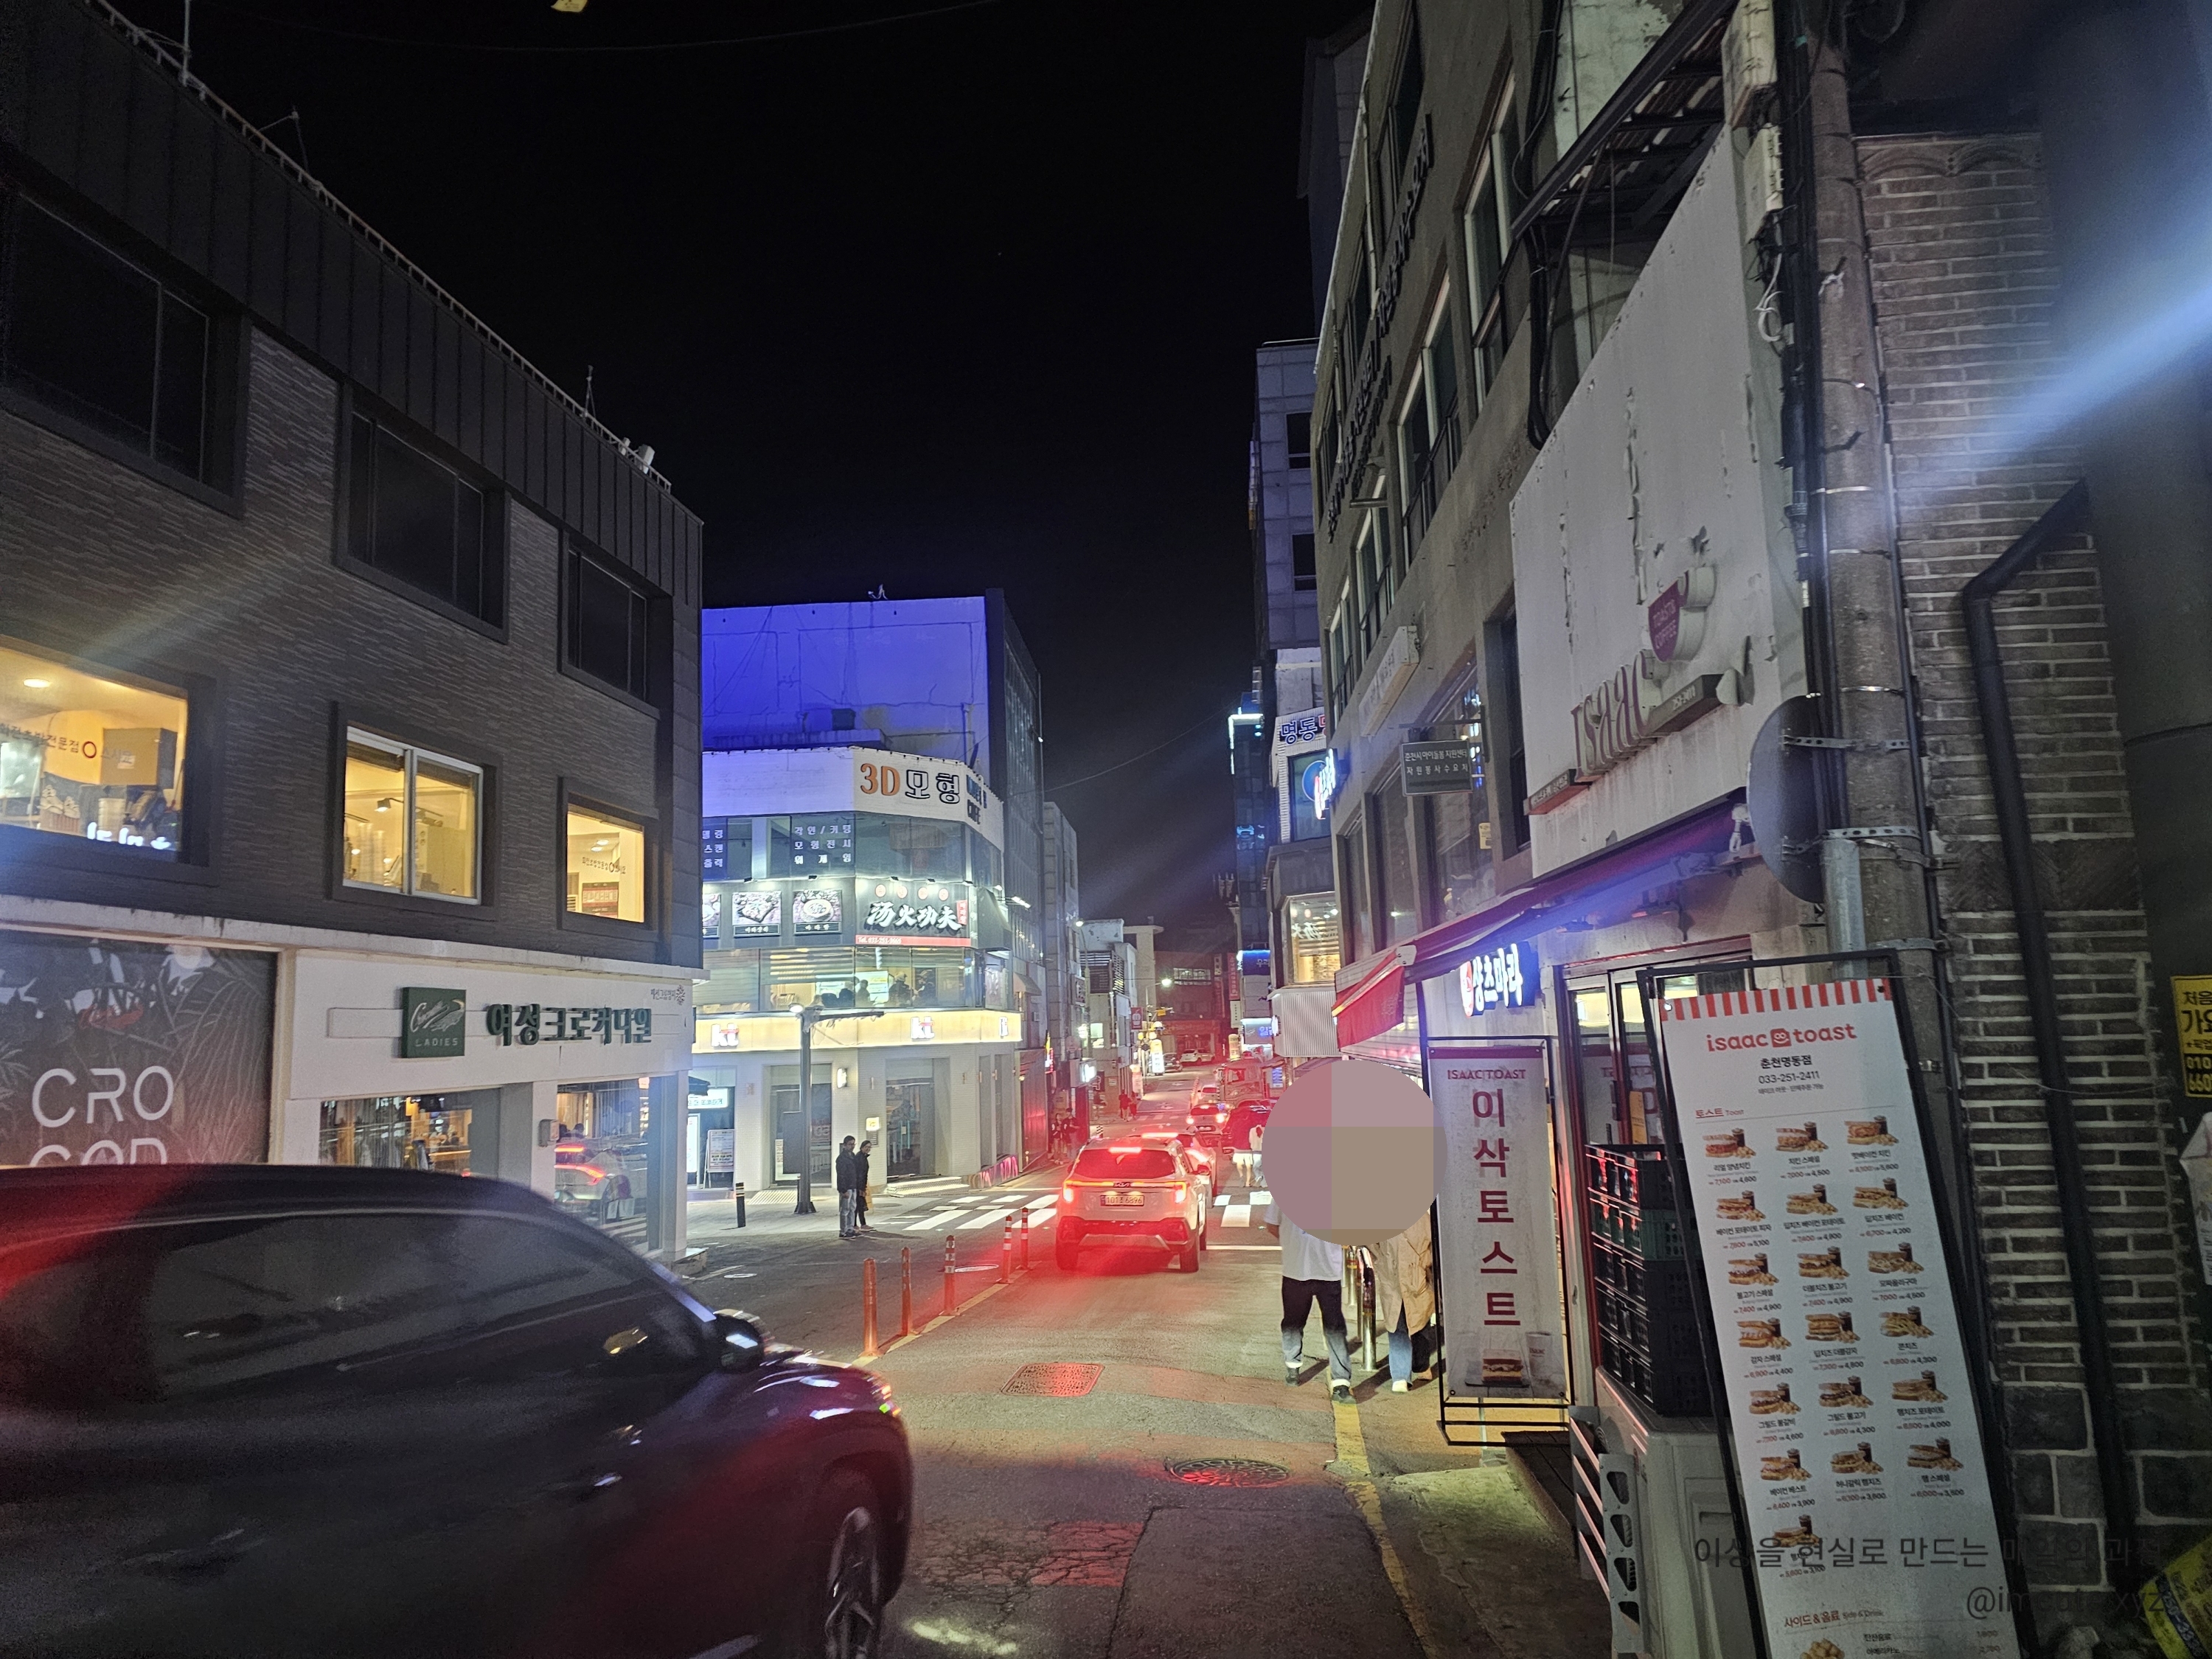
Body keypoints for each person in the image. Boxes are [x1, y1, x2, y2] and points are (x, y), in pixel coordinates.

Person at [1264, 1200, 1352, 1399]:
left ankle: (1341, 1381)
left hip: (1327, 1272)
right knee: (1293, 1322)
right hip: (1296, 1270)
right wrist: (1291, 1243)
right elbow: (1271, 1225)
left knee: (1334, 1326)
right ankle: (1292, 1365)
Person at [1368, 1210, 1437, 1391]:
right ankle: (1400, 1375)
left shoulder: (1423, 1217)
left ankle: (1421, 1365)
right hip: (1394, 1278)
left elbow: (1432, 1246)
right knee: (1397, 1326)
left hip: (1417, 1278)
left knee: (1419, 1322)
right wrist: (1383, 1261)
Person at [833, 1135, 860, 1237]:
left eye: (853, 1144)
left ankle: (850, 1229)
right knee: (845, 1210)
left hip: (853, 1186)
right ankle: (843, 1231)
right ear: (844, 1145)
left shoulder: (852, 1156)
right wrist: (843, 1190)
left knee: (852, 1209)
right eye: (850, 1144)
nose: (852, 1146)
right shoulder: (841, 1158)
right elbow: (841, 1175)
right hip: (846, 1188)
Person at [855, 1138, 876, 1232]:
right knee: (858, 1205)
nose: (868, 1149)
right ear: (862, 1147)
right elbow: (859, 1174)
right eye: (866, 1147)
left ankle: (860, 1224)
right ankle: (858, 1225)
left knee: (859, 1205)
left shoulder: (863, 1157)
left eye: (869, 1147)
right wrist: (861, 1188)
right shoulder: (859, 1158)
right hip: (858, 1186)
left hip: (861, 1185)